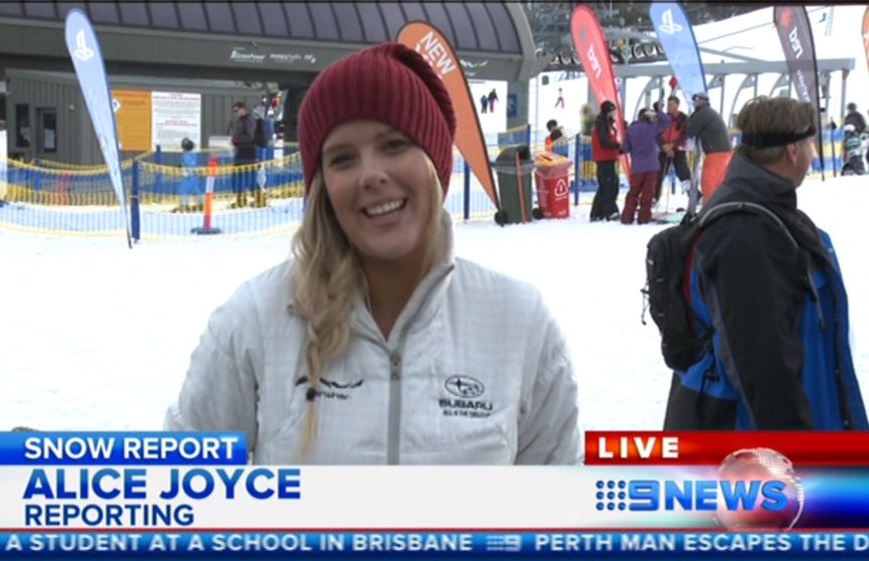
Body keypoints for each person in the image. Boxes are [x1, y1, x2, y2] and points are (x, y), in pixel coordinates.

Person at [164, 43, 583, 465]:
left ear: (434, 161)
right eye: (343, 159)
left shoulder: (518, 322)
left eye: (394, 145)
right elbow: (179, 485)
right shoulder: (256, 319)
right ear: (322, 186)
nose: (371, 175)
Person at [663, 95, 869, 431]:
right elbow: (763, 365)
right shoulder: (746, 232)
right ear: (793, 150)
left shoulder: (768, 214)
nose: (813, 154)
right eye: (810, 145)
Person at [620, 106, 670, 225]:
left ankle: (627, 217)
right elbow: (667, 120)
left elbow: (625, 148)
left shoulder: (631, 129)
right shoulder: (652, 128)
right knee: (648, 193)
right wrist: (658, 110)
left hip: (637, 166)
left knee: (633, 192)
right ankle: (644, 218)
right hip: (652, 165)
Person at [686, 92, 731, 212]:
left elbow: (690, 130)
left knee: (708, 182)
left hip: (716, 153)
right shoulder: (709, 113)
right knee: (718, 183)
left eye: (697, 100)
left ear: (703, 101)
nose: (695, 102)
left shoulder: (703, 113)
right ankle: (720, 208)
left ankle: (709, 210)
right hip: (723, 152)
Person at [590, 100, 623, 222]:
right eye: (613, 112)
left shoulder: (608, 124)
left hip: (609, 158)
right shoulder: (602, 125)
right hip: (604, 159)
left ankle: (599, 212)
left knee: (608, 185)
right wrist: (617, 146)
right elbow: (604, 141)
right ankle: (609, 211)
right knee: (609, 185)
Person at [656, 96, 692, 205]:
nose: (669, 107)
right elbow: (657, 133)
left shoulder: (683, 118)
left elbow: (686, 134)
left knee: (683, 174)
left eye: (671, 104)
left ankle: (694, 196)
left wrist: (673, 145)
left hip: (678, 149)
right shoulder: (663, 118)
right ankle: (655, 197)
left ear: (677, 105)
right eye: (668, 105)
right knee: (659, 174)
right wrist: (664, 146)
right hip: (664, 150)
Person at [230, 101, 259, 209]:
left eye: (237, 110)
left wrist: (238, 139)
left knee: (250, 177)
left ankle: (259, 198)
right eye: (235, 111)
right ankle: (240, 199)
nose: (237, 113)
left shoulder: (249, 120)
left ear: (243, 109)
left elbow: (250, 136)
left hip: (248, 152)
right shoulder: (240, 120)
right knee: (238, 176)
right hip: (240, 151)